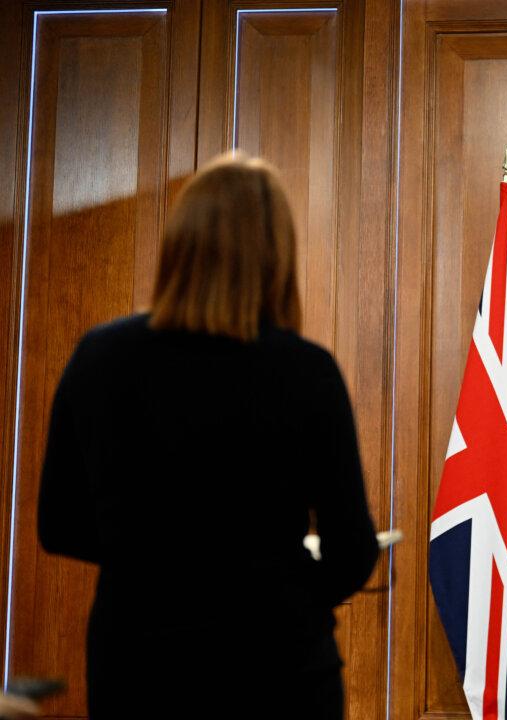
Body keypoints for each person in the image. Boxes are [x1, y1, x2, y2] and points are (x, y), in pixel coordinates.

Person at [36, 153, 380, 718]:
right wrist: (281, 587)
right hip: (279, 667)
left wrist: (155, 556)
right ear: (277, 257)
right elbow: (353, 548)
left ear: (180, 246)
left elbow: (59, 524)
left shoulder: (99, 357)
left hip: (139, 664)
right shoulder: (305, 371)